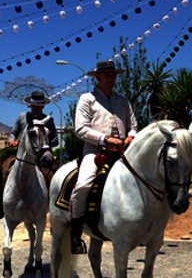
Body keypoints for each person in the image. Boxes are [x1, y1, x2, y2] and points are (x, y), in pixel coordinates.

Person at [69, 60, 138, 254]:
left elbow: (133, 125)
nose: (111, 78)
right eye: (107, 75)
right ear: (97, 77)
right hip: (95, 151)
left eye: (113, 75)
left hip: (123, 152)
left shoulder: (123, 100)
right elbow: (80, 129)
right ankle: (75, 235)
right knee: (83, 185)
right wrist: (105, 139)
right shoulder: (86, 99)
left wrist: (131, 136)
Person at [0, 91, 58, 219]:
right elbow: (14, 132)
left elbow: (55, 140)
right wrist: (12, 140)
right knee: (0, 171)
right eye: (34, 105)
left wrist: (44, 143)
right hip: (22, 155)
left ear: (43, 106)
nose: (36, 107)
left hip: (42, 156)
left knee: (54, 174)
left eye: (39, 105)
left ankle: (53, 203)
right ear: (30, 105)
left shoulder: (48, 120)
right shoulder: (21, 117)